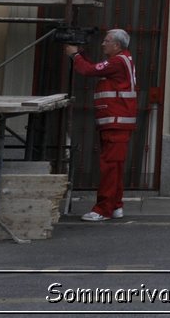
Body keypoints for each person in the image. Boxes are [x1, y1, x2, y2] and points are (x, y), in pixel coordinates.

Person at [65, 28, 138, 222]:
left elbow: (88, 70)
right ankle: (115, 206)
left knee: (109, 168)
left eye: (106, 41)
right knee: (115, 167)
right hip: (116, 122)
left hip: (116, 122)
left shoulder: (117, 61)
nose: (103, 44)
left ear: (116, 45)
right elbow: (97, 67)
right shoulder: (122, 60)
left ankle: (102, 210)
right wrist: (81, 54)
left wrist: (74, 55)